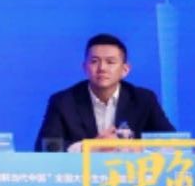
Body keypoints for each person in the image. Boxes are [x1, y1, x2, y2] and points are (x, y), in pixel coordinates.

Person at [33, 33, 175, 152]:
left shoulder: (143, 99)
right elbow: (45, 147)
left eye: (110, 62)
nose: (102, 68)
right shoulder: (63, 101)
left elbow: (173, 143)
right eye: (94, 61)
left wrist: (138, 148)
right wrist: (90, 147)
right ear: (85, 67)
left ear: (125, 70)